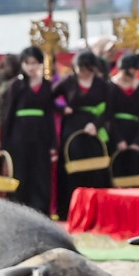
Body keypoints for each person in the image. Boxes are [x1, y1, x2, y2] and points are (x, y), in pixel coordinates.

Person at [52, 49, 114, 214]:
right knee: (72, 168)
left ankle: (97, 208)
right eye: (80, 68)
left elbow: (109, 109)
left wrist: (97, 124)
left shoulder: (102, 85)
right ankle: (70, 208)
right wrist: (62, 108)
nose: (83, 72)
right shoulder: (68, 82)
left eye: (87, 69)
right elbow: (48, 97)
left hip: (93, 129)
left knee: (95, 169)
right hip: (72, 128)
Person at [0, 45, 55, 213]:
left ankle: (41, 211)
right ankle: (19, 210)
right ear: (22, 64)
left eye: (35, 63)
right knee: (20, 173)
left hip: (41, 135)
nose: (32, 67)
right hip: (19, 135)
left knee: (40, 174)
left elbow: (49, 115)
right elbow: (7, 115)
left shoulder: (46, 85)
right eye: (28, 63)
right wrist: (4, 143)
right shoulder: (16, 85)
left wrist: (53, 143)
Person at [106, 54, 139, 182]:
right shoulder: (111, 86)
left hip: (135, 132)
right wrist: (118, 139)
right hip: (117, 132)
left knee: (135, 168)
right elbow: (109, 114)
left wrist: (138, 141)